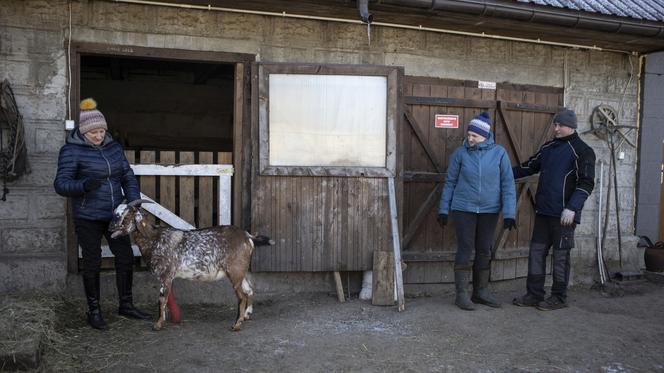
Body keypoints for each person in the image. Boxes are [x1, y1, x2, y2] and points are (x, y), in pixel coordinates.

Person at [54, 98, 150, 330]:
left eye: (102, 131)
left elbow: (126, 174)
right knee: (92, 262)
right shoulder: (71, 150)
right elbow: (61, 184)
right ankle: (94, 311)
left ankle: (125, 305)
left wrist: (133, 199)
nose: (99, 136)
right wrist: (84, 185)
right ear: (83, 131)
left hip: (115, 215)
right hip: (87, 216)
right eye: (94, 132)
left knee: (126, 257)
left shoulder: (114, 147)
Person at [512, 109, 595, 311]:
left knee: (560, 257)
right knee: (536, 253)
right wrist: (503, 172)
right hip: (543, 212)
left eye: (560, 125)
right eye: (555, 125)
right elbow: (529, 166)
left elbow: (586, 184)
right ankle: (534, 294)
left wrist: (572, 208)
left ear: (571, 126)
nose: (556, 128)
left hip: (564, 216)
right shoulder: (548, 148)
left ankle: (558, 297)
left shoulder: (583, 151)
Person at [437, 112, 516, 311]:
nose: (470, 138)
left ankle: (481, 292)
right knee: (465, 248)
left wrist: (509, 214)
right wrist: (443, 209)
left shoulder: (499, 153)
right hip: (464, 208)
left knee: (484, 249)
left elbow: (507, 184)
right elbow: (450, 182)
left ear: (485, 136)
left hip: (490, 210)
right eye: (469, 134)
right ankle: (461, 295)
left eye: (475, 136)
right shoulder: (460, 154)